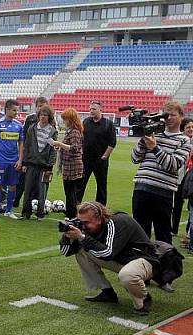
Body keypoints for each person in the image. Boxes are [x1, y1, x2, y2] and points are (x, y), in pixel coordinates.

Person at [59, 201, 160, 315]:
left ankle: (143, 300)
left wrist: (82, 237)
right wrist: (67, 236)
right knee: (81, 251)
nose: (83, 226)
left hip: (145, 261)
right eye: (80, 221)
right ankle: (107, 293)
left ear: (99, 218)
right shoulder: (88, 228)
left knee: (126, 275)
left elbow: (108, 253)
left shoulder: (117, 222)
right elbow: (65, 252)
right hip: (123, 260)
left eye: (86, 222)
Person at [131, 101, 191, 244]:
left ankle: (165, 265)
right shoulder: (153, 134)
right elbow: (135, 158)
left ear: (181, 116)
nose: (168, 118)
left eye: (173, 115)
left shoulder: (185, 141)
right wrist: (142, 140)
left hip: (163, 192)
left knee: (162, 234)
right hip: (141, 187)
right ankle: (142, 263)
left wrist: (155, 148)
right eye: (166, 115)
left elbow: (173, 165)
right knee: (139, 232)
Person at [20, 105, 58, 220]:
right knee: (28, 191)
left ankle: (40, 214)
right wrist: (25, 163)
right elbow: (27, 146)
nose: (43, 117)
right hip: (31, 164)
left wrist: (50, 166)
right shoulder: (32, 129)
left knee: (42, 192)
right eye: (41, 115)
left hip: (44, 166)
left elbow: (53, 150)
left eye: (45, 115)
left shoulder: (52, 131)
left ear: (49, 117)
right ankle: (26, 213)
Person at [0, 99, 23, 220]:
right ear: (7, 109)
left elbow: (21, 144)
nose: (16, 113)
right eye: (14, 110)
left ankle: (9, 210)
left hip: (13, 161)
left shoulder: (19, 125)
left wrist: (20, 160)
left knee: (13, 186)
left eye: (17, 111)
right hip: (0, 161)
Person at [79, 101, 116, 205]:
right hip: (85, 159)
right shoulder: (86, 121)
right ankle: (75, 207)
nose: (91, 111)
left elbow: (112, 142)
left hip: (100, 161)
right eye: (90, 109)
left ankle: (100, 208)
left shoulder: (108, 124)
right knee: (80, 184)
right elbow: (81, 138)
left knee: (101, 185)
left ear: (100, 110)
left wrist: (104, 156)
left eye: (94, 109)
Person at [16, 97, 49, 208]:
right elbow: (24, 138)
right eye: (39, 106)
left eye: (43, 106)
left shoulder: (51, 121)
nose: (41, 109)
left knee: (39, 183)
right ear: (36, 107)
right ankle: (16, 201)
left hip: (42, 158)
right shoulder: (30, 119)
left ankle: (36, 204)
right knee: (21, 180)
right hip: (29, 156)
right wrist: (24, 157)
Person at [52, 108, 84, 218]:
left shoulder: (75, 132)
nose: (63, 121)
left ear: (70, 119)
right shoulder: (70, 131)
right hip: (69, 165)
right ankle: (70, 211)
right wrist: (60, 148)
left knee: (71, 192)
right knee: (68, 191)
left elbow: (74, 148)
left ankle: (73, 214)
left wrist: (60, 144)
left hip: (73, 166)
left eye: (65, 119)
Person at [176, 117, 193, 239]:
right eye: (188, 127)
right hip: (180, 177)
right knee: (177, 203)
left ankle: (189, 235)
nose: (191, 129)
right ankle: (175, 228)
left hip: (189, 178)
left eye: (192, 127)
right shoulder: (181, 141)